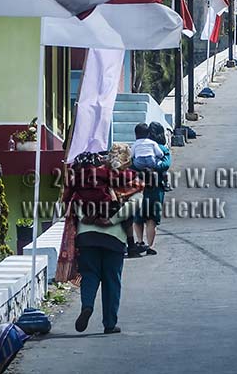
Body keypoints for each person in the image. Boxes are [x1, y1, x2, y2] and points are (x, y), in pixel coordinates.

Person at [66, 144, 145, 335]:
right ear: (128, 160)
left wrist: (85, 216)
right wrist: (111, 220)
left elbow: (75, 198)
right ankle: (109, 323)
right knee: (112, 280)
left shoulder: (90, 175)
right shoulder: (130, 179)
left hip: (86, 235)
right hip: (114, 237)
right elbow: (133, 205)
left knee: (90, 274)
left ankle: (87, 306)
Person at [133, 121, 172, 256]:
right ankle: (150, 246)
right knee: (152, 218)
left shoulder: (137, 146)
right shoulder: (162, 149)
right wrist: (154, 166)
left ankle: (139, 242)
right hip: (155, 188)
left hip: (138, 187)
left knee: (138, 216)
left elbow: (130, 163)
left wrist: (140, 166)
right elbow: (165, 165)